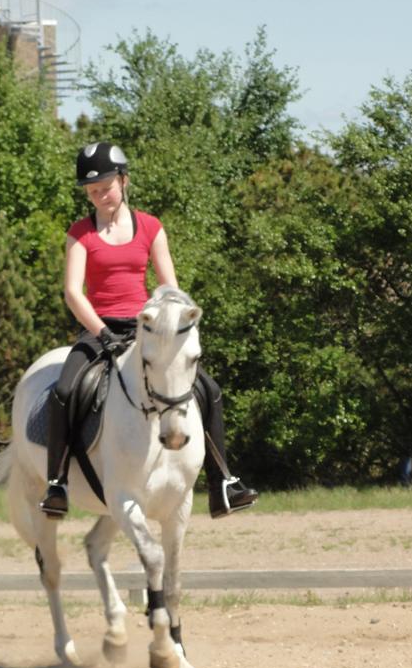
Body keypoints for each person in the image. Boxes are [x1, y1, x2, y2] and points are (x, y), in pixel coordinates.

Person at [41, 141, 258, 520]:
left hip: (146, 328)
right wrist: (103, 333)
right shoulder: (79, 233)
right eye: (92, 192)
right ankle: (57, 482)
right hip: (99, 330)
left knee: (209, 390)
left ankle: (224, 480)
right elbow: (73, 293)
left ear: (123, 181)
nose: (99, 196)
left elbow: (169, 288)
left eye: (105, 187)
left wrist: (165, 327)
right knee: (63, 391)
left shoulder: (152, 227)